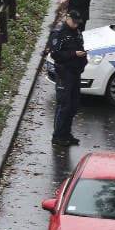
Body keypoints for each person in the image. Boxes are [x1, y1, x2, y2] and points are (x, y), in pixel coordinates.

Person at [46, 9, 87, 146]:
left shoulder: (76, 31)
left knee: (73, 105)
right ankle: (57, 136)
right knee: (64, 104)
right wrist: (74, 54)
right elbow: (56, 54)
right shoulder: (59, 32)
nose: (76, 25)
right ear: (68, 19)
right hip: (64, 73)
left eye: (77, 23)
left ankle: (66, 134)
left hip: (75, 72)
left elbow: (80, 45)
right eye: (74, 22)